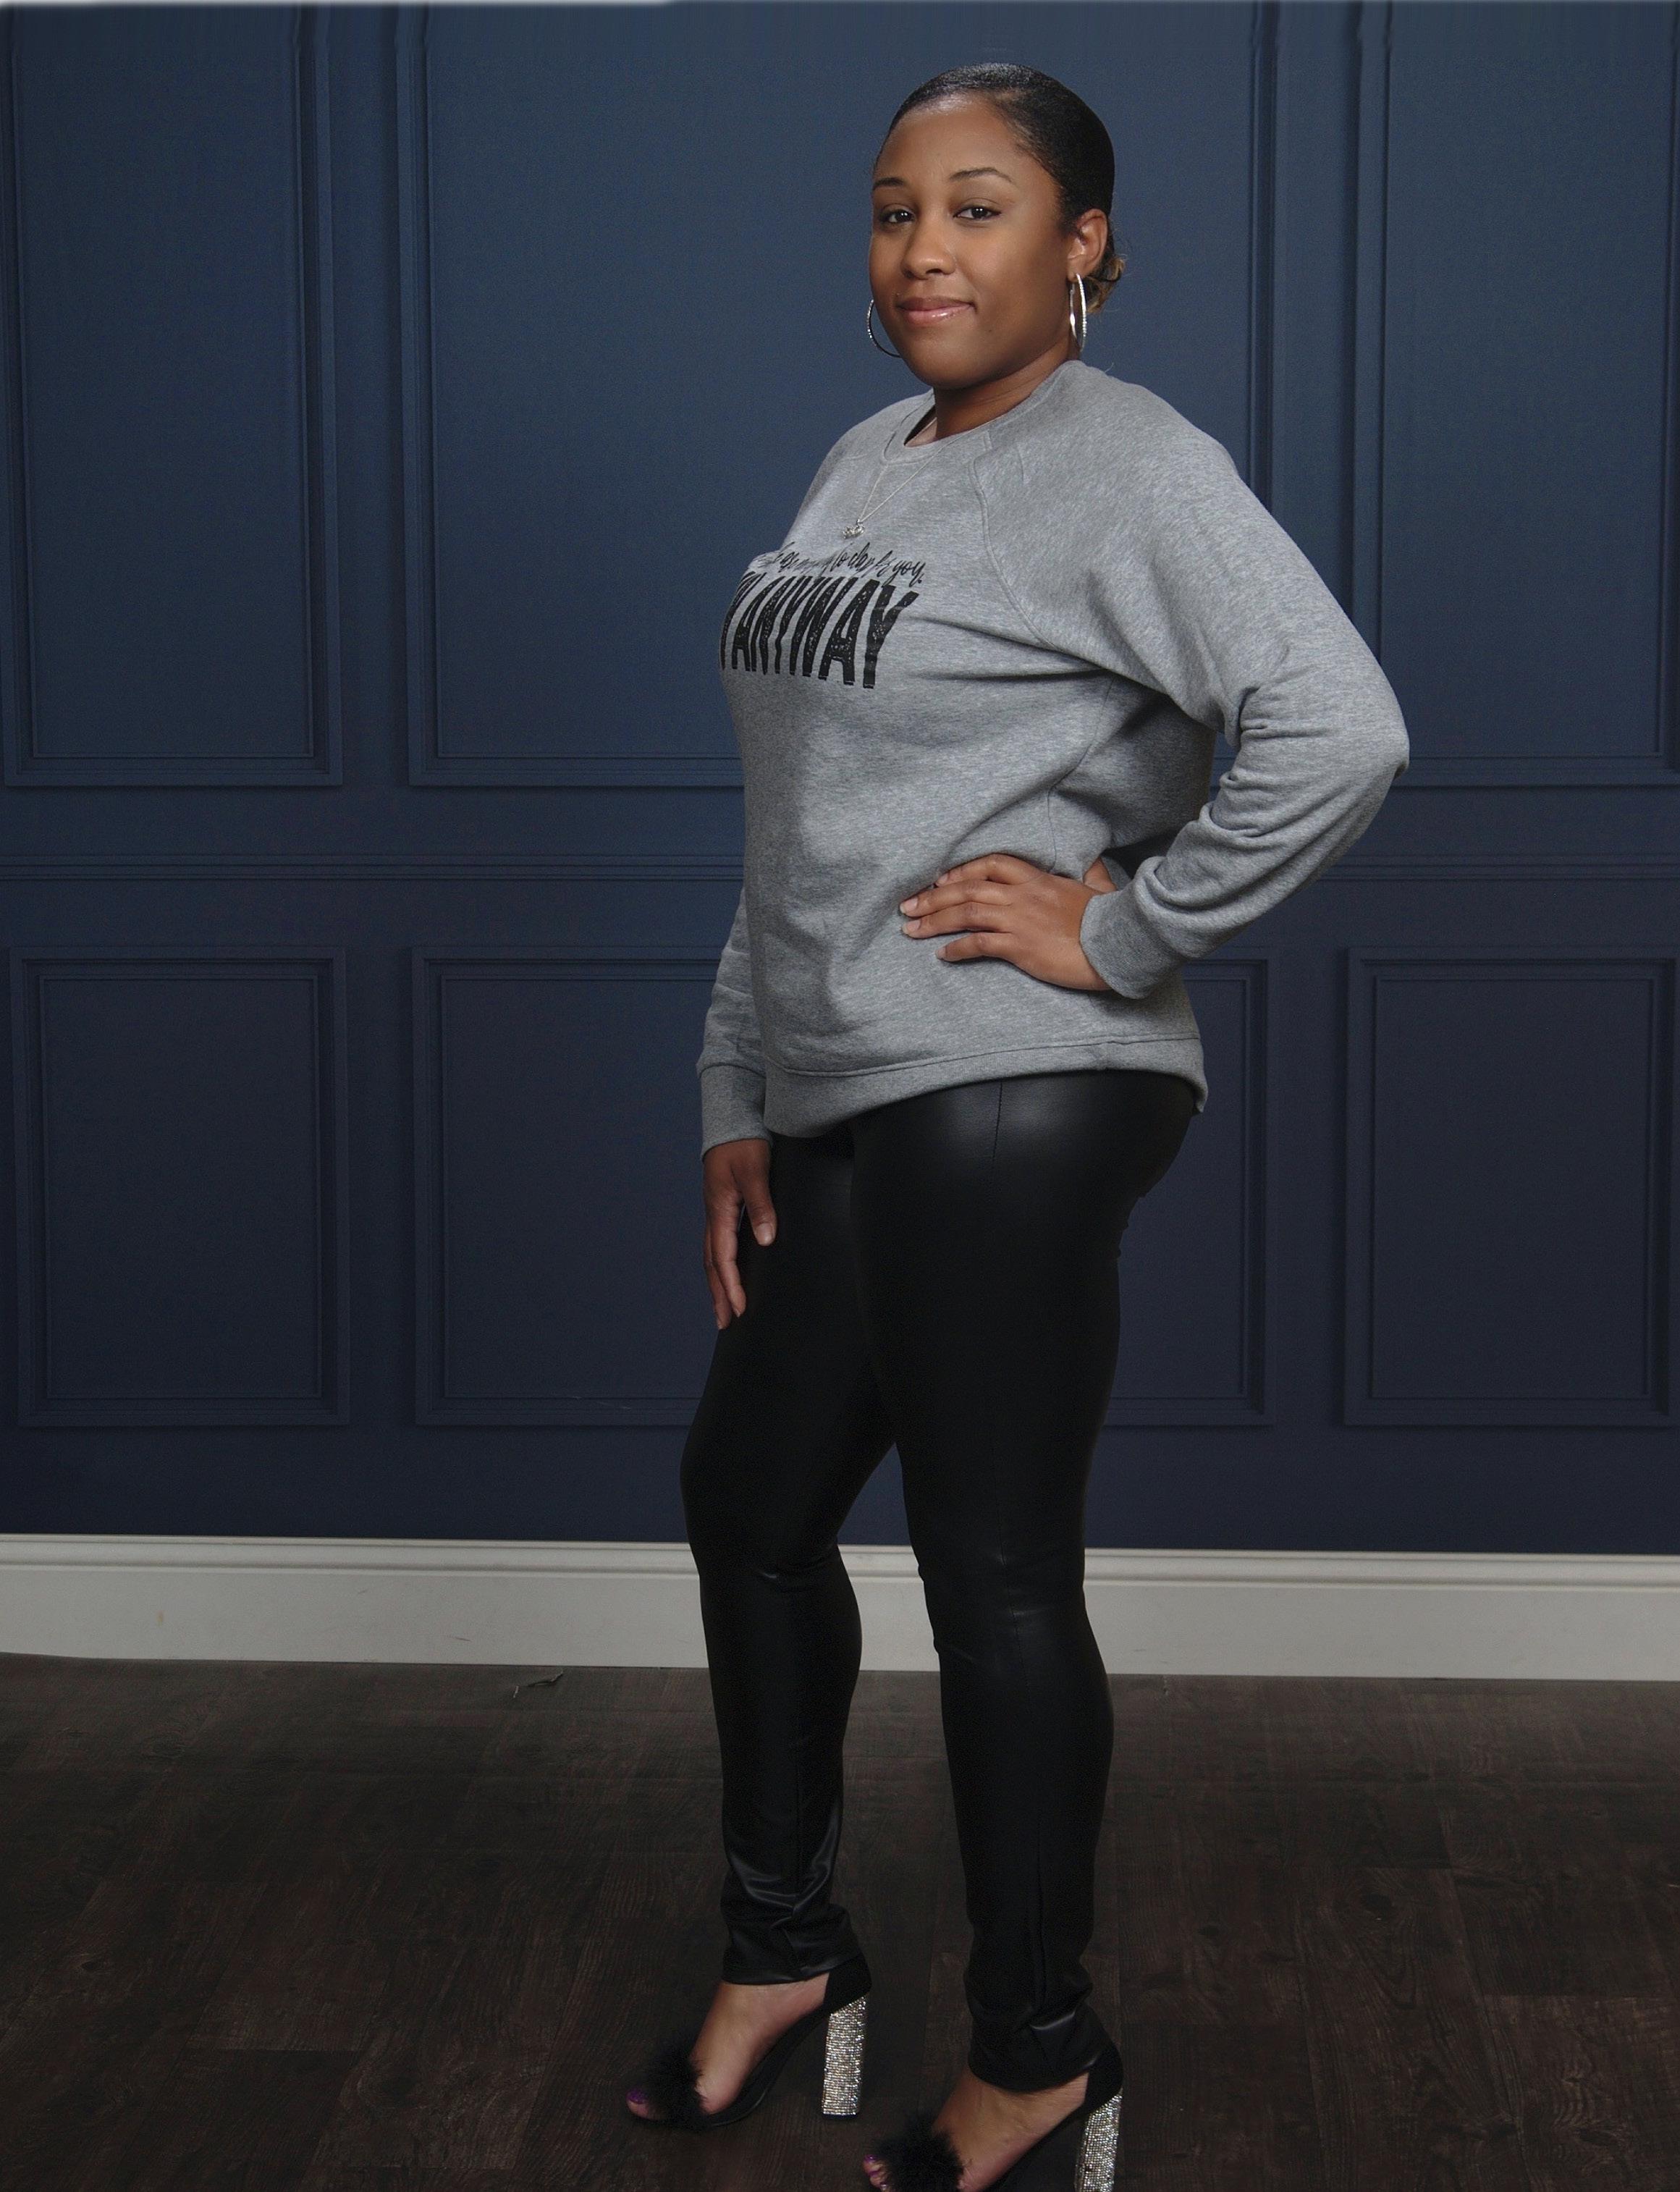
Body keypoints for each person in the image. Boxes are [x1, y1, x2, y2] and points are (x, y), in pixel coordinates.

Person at [625, 59, 1409, 2192]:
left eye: (979, 208)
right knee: (749, 1501)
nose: (923, 251)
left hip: (1012, 1085)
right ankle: (785, 1948)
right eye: (895, 209)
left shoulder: (1129, 462)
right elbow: (803, 823)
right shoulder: (862, 459)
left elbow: (1340, 726)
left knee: (989, 1570)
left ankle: (1041, 2051)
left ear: (1083, 245)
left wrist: (1126, 923)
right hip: (844, 1077)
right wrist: (739, 1081)